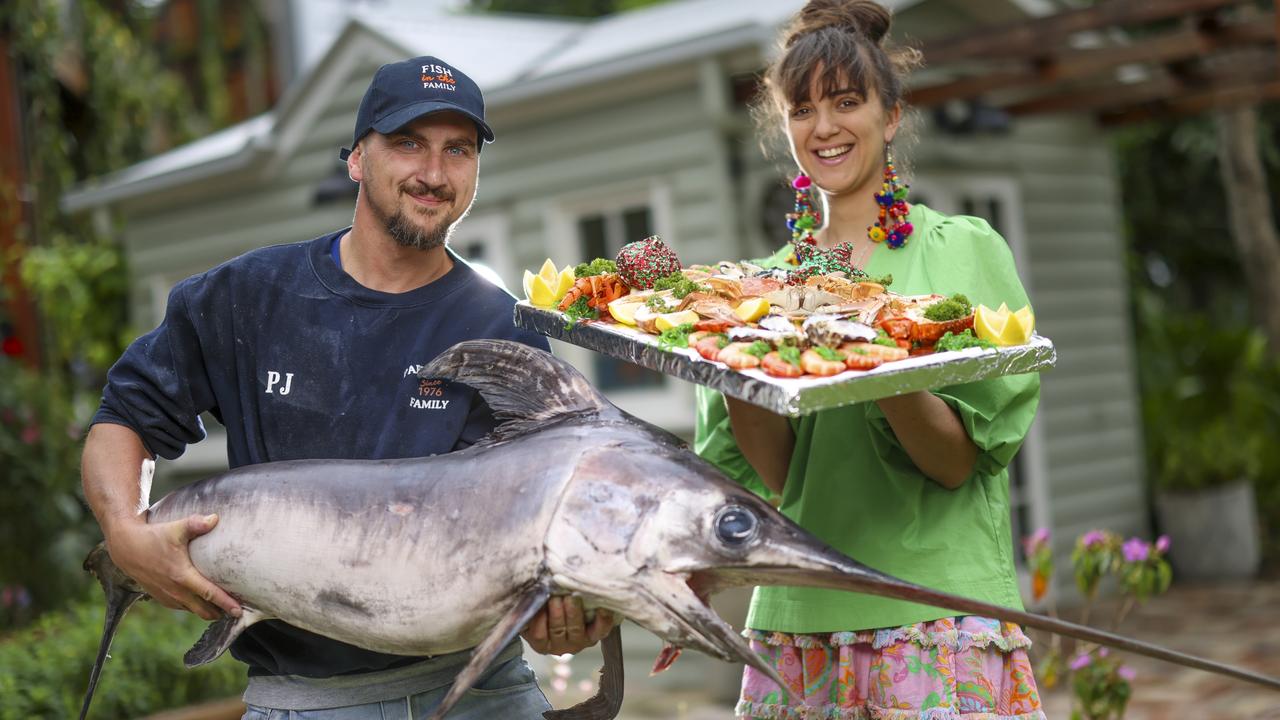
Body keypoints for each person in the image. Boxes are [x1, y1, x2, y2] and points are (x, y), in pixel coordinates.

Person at [80, 55, 615, 719]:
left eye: (459, 150)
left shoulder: (500, 328)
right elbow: (122, 419)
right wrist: (126, 533)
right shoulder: (250, 296)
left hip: (480, 691)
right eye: (407, 143)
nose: (433, 173)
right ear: (357, 159)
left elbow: (535, 518)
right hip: (302, 703)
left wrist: (558, 617)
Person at [694, 2, 1046, 718]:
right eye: (803, 109)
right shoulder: (762, 288)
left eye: (846, 102)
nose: (823, 127)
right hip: (801, 617)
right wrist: (729, 355)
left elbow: (953, 464)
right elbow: (782, 480)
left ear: (891, 117)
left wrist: (869, 348)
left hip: (931, 614)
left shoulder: (958, 251)